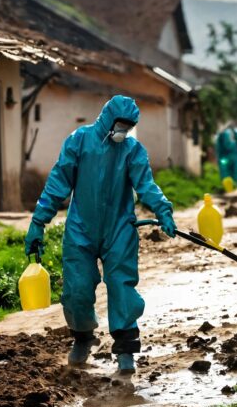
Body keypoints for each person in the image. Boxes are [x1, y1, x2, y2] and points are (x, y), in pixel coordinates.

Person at [24, 95, 176, 375]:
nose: (123, 130)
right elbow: (58, 182)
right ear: (108, 119)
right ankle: (82, 338)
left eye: (128, 126)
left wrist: (162, 210)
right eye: (120, 124)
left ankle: (126, 350)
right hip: (81, 228)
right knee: (77, 289)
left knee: (122, 286)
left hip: (119, 228)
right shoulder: (79, 141)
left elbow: (146, 184)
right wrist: (38, 222)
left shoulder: (132, 150)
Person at [215, 124, 237, 193]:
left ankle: (232, 188)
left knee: (226, 173)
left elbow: (218, 149)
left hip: (226, 158)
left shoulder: (221, 136)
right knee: (235, 173)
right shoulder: (236, 134)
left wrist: (219, 158)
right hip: (233, 157)